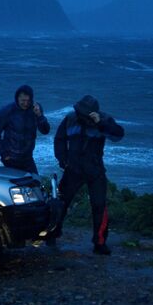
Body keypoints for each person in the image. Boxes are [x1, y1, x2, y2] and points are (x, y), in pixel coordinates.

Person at [51, 95, 124, 255]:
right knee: (61, 203)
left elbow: (118, 135)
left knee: (99, 206)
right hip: (74, 169)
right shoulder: (70, 119)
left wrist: (101, 123)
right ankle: (53, 233)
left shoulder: (104, 120)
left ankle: (99, 243)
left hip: (95, 170)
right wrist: (62, 159)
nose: (79, 114)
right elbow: (59, 139)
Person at [0, 85, 50, 173]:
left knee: (35, 183)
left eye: (28, 101)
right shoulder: (6, 111)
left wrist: (39, 115)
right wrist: (3, 154)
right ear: (17, 98)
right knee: (12, 186)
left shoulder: (35, 109)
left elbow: (45, 131)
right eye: (23, 101)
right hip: (10, 159)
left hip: (28, 158)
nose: (26, 103)